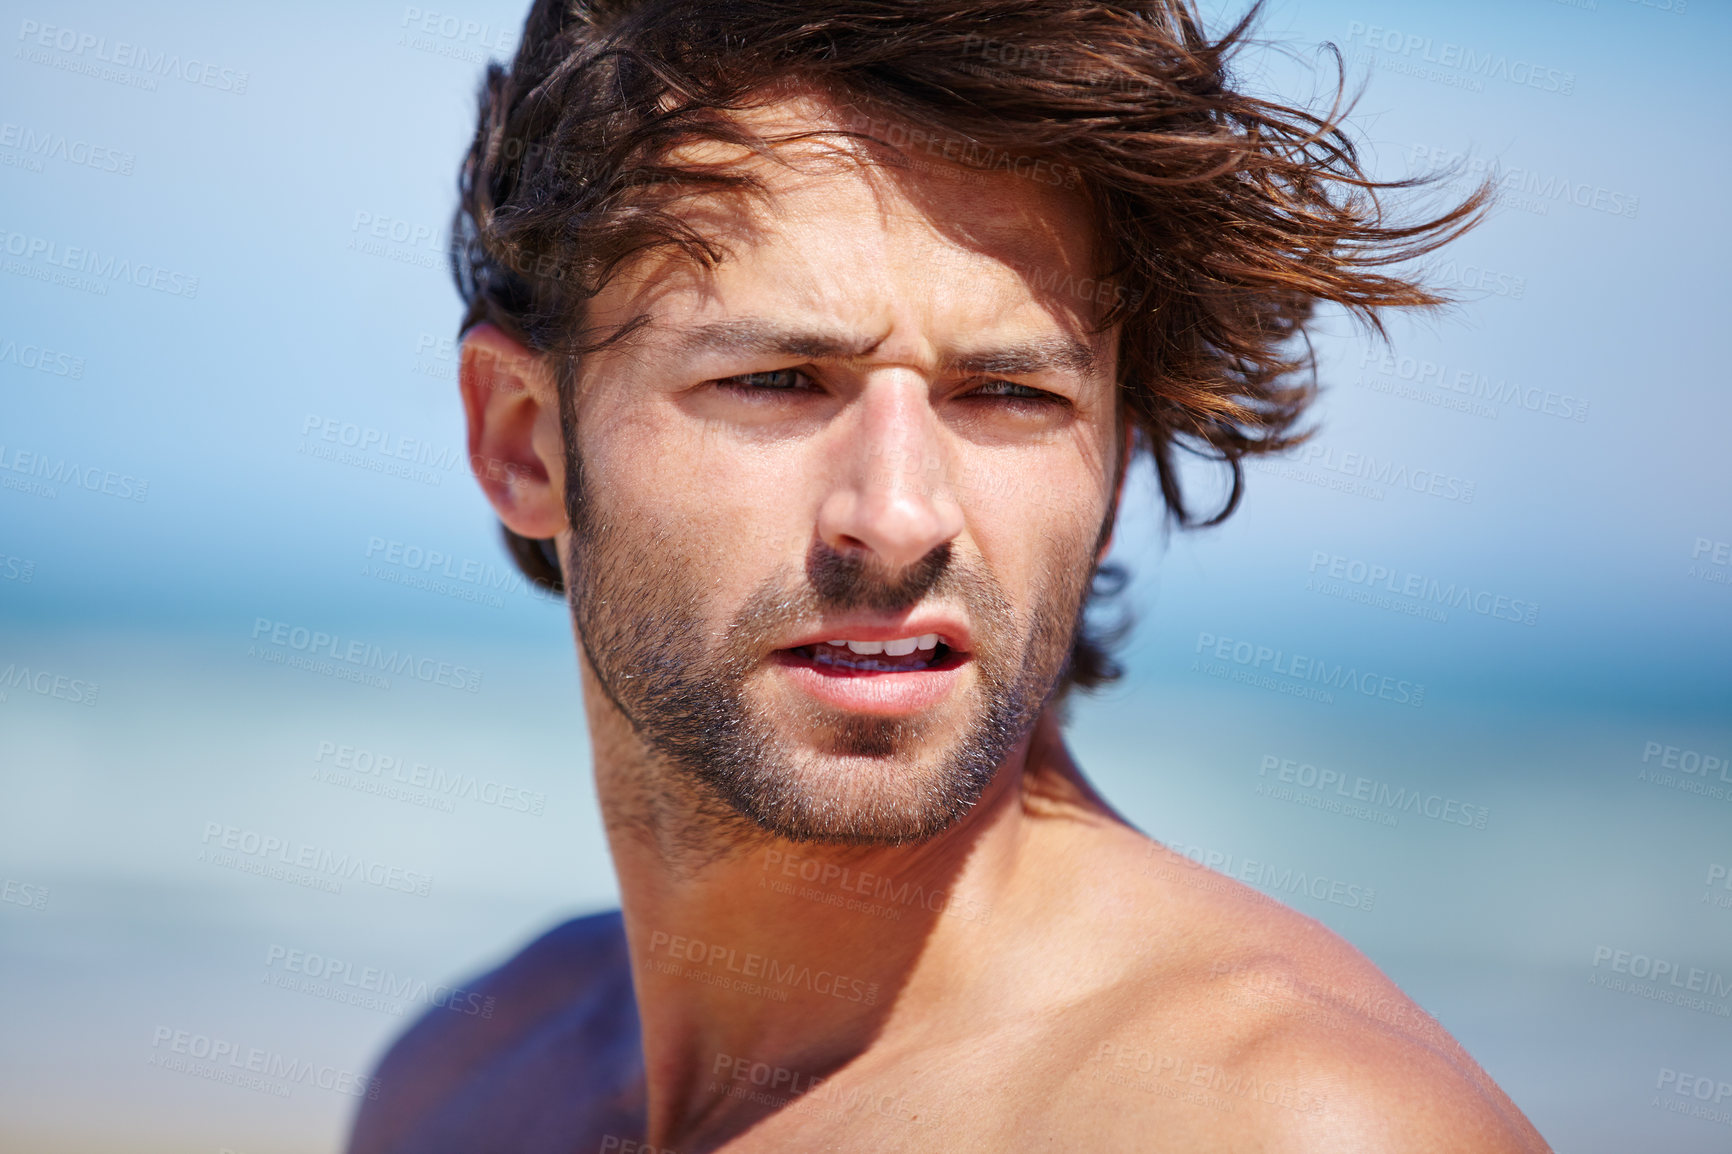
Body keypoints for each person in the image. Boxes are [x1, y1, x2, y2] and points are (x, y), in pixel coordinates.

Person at [348, 0, 1549, 1149]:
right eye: (776, 379)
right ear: (520, 439)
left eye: (1010, 393)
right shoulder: (461, 1085)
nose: (899, 513)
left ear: (1116, 461)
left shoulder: (1286, 1122)